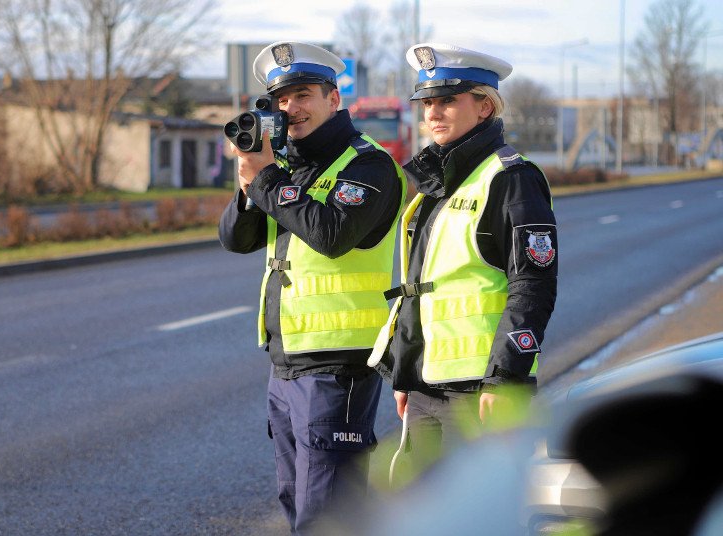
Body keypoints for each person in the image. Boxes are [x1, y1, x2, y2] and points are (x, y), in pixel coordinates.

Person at [218, 41, 406, 534]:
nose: (290, 109)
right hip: (286, 363)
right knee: (296, 501)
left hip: (337, 364)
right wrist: (249, 184)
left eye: (302, 95)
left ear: (334, 99)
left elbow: (331, 234)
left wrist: (269, 182)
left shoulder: (368, 165)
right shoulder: (287, 170)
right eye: (280, 100)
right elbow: (236, 240)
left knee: (327, 514)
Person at [368, 43, 558, 475]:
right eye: (427, 103)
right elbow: (421, 287)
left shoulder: (511, 178)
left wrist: (505, 378)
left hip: (481, 392)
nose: (432, 113)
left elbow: (533, 285)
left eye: (448, 101)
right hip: (426, 388)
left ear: (485, 108)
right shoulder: (442, 179)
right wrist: (407, 370)